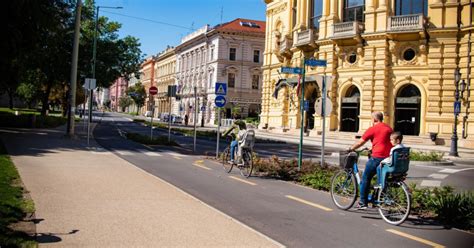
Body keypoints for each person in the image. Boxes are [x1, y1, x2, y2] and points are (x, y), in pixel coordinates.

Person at [349, 111, 393, 210]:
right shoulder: (389, 128)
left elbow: (360, 142)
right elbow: (385, 142)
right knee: (380, 179)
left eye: (371, 119)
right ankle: (376, 198)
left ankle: (362, 202)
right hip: (388, 158)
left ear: (374, 119)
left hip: (378, 157)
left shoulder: (372, 129)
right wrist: (372, 148)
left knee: (366, 177)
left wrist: (351, 148)